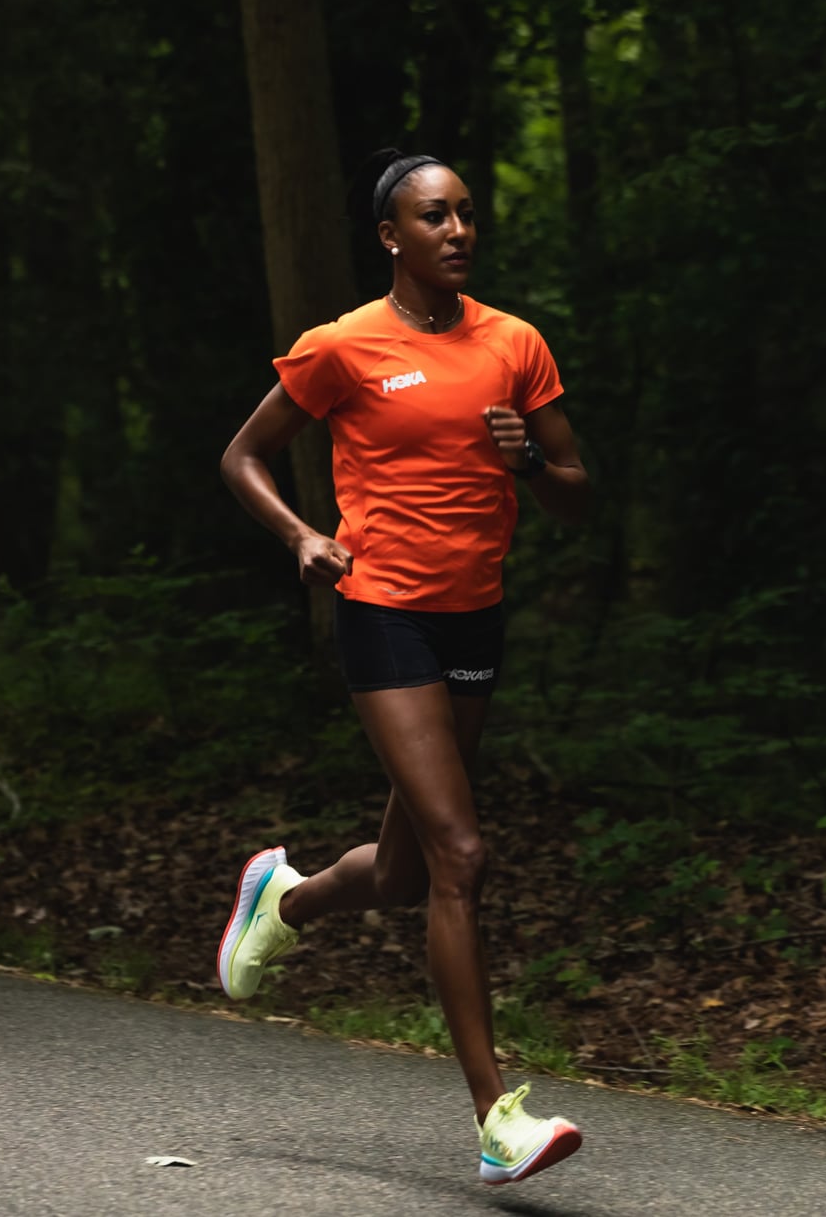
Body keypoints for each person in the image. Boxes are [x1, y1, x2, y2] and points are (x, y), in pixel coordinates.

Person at [214, 150, 590, 1185]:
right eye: (434, 217)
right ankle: (495, 1119)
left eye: (467, 214)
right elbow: (241, 456)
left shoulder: (515, 343)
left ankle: (282, 902)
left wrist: (527, 462)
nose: (458, 231)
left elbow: (571, 488)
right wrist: (299, 536)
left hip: (475, 619)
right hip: (383, 616)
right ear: (392, 237)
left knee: (411, 867)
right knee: (461, 854)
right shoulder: (343, 347)